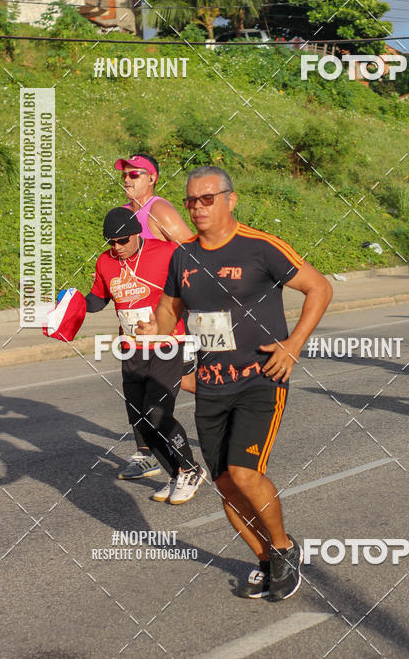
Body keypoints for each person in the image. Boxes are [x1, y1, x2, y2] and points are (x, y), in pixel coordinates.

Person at [137, 166, 332, 601]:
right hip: (210, 386)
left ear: (230, 199)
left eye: (207, 198)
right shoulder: (183, 255)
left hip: (259, 379)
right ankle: (265, 560)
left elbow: (318, 287)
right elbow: (171, 308)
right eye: (191, 201)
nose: (198, 207)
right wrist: (156, 332)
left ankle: (284, 549)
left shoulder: (260, 247)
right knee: (225, 483)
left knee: (245, 472)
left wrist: (293, 345)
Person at [86, 206, 206, 503]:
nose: (117, 247)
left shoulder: (166, 252)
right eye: (111, 242)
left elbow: (196, 284)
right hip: (132, 349)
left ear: (137, 234)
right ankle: (175, 474)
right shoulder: (106, 262)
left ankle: (191, 469)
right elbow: (98, 299)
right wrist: (67, 304)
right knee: (141, 419)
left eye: (122, 241)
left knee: (157, 412)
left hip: (168, 344)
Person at [114, 153, 196, 479]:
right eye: (125, 175)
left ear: (152, 179)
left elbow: (192, 252)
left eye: (136, 175)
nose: (128, 180)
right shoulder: (125, 215)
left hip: (165, 319)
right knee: (138, 387)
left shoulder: (157, 210)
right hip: (134, 320)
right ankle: (146, 453)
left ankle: (226, 406)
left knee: (167, 384)